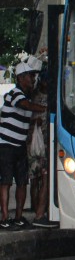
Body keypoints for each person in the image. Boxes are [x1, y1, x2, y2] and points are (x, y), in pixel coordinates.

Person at [0, 60, 46, 230]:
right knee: (5, 181)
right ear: (21, 78)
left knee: (21, 182)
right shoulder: (15, 94)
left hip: (19, 146)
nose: (33, 79)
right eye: (30, 76)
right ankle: (5, 217)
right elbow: (25, 106)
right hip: (6, 145)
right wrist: (44, 108)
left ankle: (18, 217)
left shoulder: (26, 96)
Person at [26, 71, 58, 228]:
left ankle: (39, 210)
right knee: (40, 178)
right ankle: (39, 212)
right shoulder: (37, 98)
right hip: (38, 144)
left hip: (45, 144)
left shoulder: (49, 97)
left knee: (41, 177)